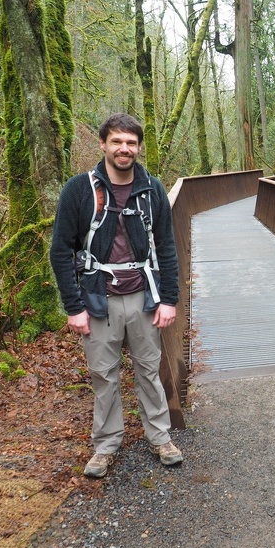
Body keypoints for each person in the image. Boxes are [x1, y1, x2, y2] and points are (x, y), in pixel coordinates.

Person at [49, 113, 182, 478]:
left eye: (131, 143)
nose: (124, 149)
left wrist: (169, 299)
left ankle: (160, 437)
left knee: (148, 370)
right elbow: (61, 250)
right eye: (117, 142)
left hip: (142, 294)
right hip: (97, 299)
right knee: (103, 374)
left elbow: (167, 248)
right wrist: (73, 307)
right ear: (103, 145)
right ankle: (106, 444)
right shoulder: (79, 190)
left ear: (139, 147)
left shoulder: (152, 189)